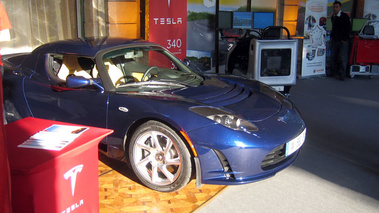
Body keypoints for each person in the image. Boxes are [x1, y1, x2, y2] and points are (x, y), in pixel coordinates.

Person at [329, 1, 351, 80]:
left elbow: (348, 28)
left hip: (342, 40)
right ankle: (333, 72)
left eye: (337, 7)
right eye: (334, 7)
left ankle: (342, 73)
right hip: (335, 39)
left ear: (340, 8)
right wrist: (332, 36)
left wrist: (344, 38)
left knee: (342, 57)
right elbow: (333, 28)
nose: (335, 9)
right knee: (333, 56)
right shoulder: (333, 17)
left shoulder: (344, 16)